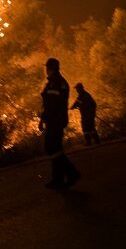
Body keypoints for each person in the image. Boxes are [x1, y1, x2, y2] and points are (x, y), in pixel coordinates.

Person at [38, 58, 81, 189]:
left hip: (55, 120)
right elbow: (48, 103)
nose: (46, 70)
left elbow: (53, 104)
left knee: (52, 147)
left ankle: (71, 173)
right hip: (53, 119)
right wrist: (42, 119)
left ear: (49, 68)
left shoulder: (56, 83)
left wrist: (44, 117)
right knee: (54, 148)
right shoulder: (54, 82)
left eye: (47, 67)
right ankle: (58, 179)